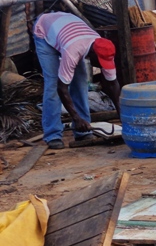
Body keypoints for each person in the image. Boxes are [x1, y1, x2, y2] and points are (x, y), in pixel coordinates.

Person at [33, 11, 121, 149]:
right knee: (53, 83)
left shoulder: (103, 47)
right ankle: (53, 134)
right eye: (100, 62)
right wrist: (76, 117)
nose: (101, 65)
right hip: (45, 30)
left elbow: (112, 84)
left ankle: (83, 131)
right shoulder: (73, 51)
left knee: (80, 83)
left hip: (67, 29)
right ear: (92, 54)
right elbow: (61, 88)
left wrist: (122, 114)